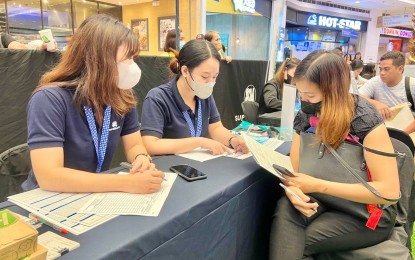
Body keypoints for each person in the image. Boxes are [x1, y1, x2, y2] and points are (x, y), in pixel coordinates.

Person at [269, 50, 399, 258]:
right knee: (287, 206)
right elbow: (296, 170)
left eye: (310, 95)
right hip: (320, 199)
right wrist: (293, 192)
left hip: (363, 213)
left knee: (294, 245)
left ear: (334, 90)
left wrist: (318, 186)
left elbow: (389, 192)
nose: (303, 100)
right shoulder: (306, 116)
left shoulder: (364, 120)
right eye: (300, 92)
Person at [22, 14, 164, 194]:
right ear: (98, 60)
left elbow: (134, 144)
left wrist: (141, 157)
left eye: (133, 58)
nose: (133, 66)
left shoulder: (122, 96)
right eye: (127, 59)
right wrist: (126, 183)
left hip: (94, 193)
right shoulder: (49, 99)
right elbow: (49, 176)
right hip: (49, 199)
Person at [140, 40, 248, 156]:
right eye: (205, 76)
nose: (210, 83)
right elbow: (150, 145)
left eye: (215, 77)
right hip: (170, 167)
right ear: (185, 71)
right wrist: (199, 142)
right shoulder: (158, 98)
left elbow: (215, 127)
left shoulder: (204, 94)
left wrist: (233, 140)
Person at [360, 51, 415, 133]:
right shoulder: (376, 81)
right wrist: (377, 104)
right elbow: (356, 96)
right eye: (380, 69)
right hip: (380, 129)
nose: (382, 73)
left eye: (386, 69)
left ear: (400, 69)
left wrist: (402, 135)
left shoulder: (412, 85)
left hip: (407, 132)